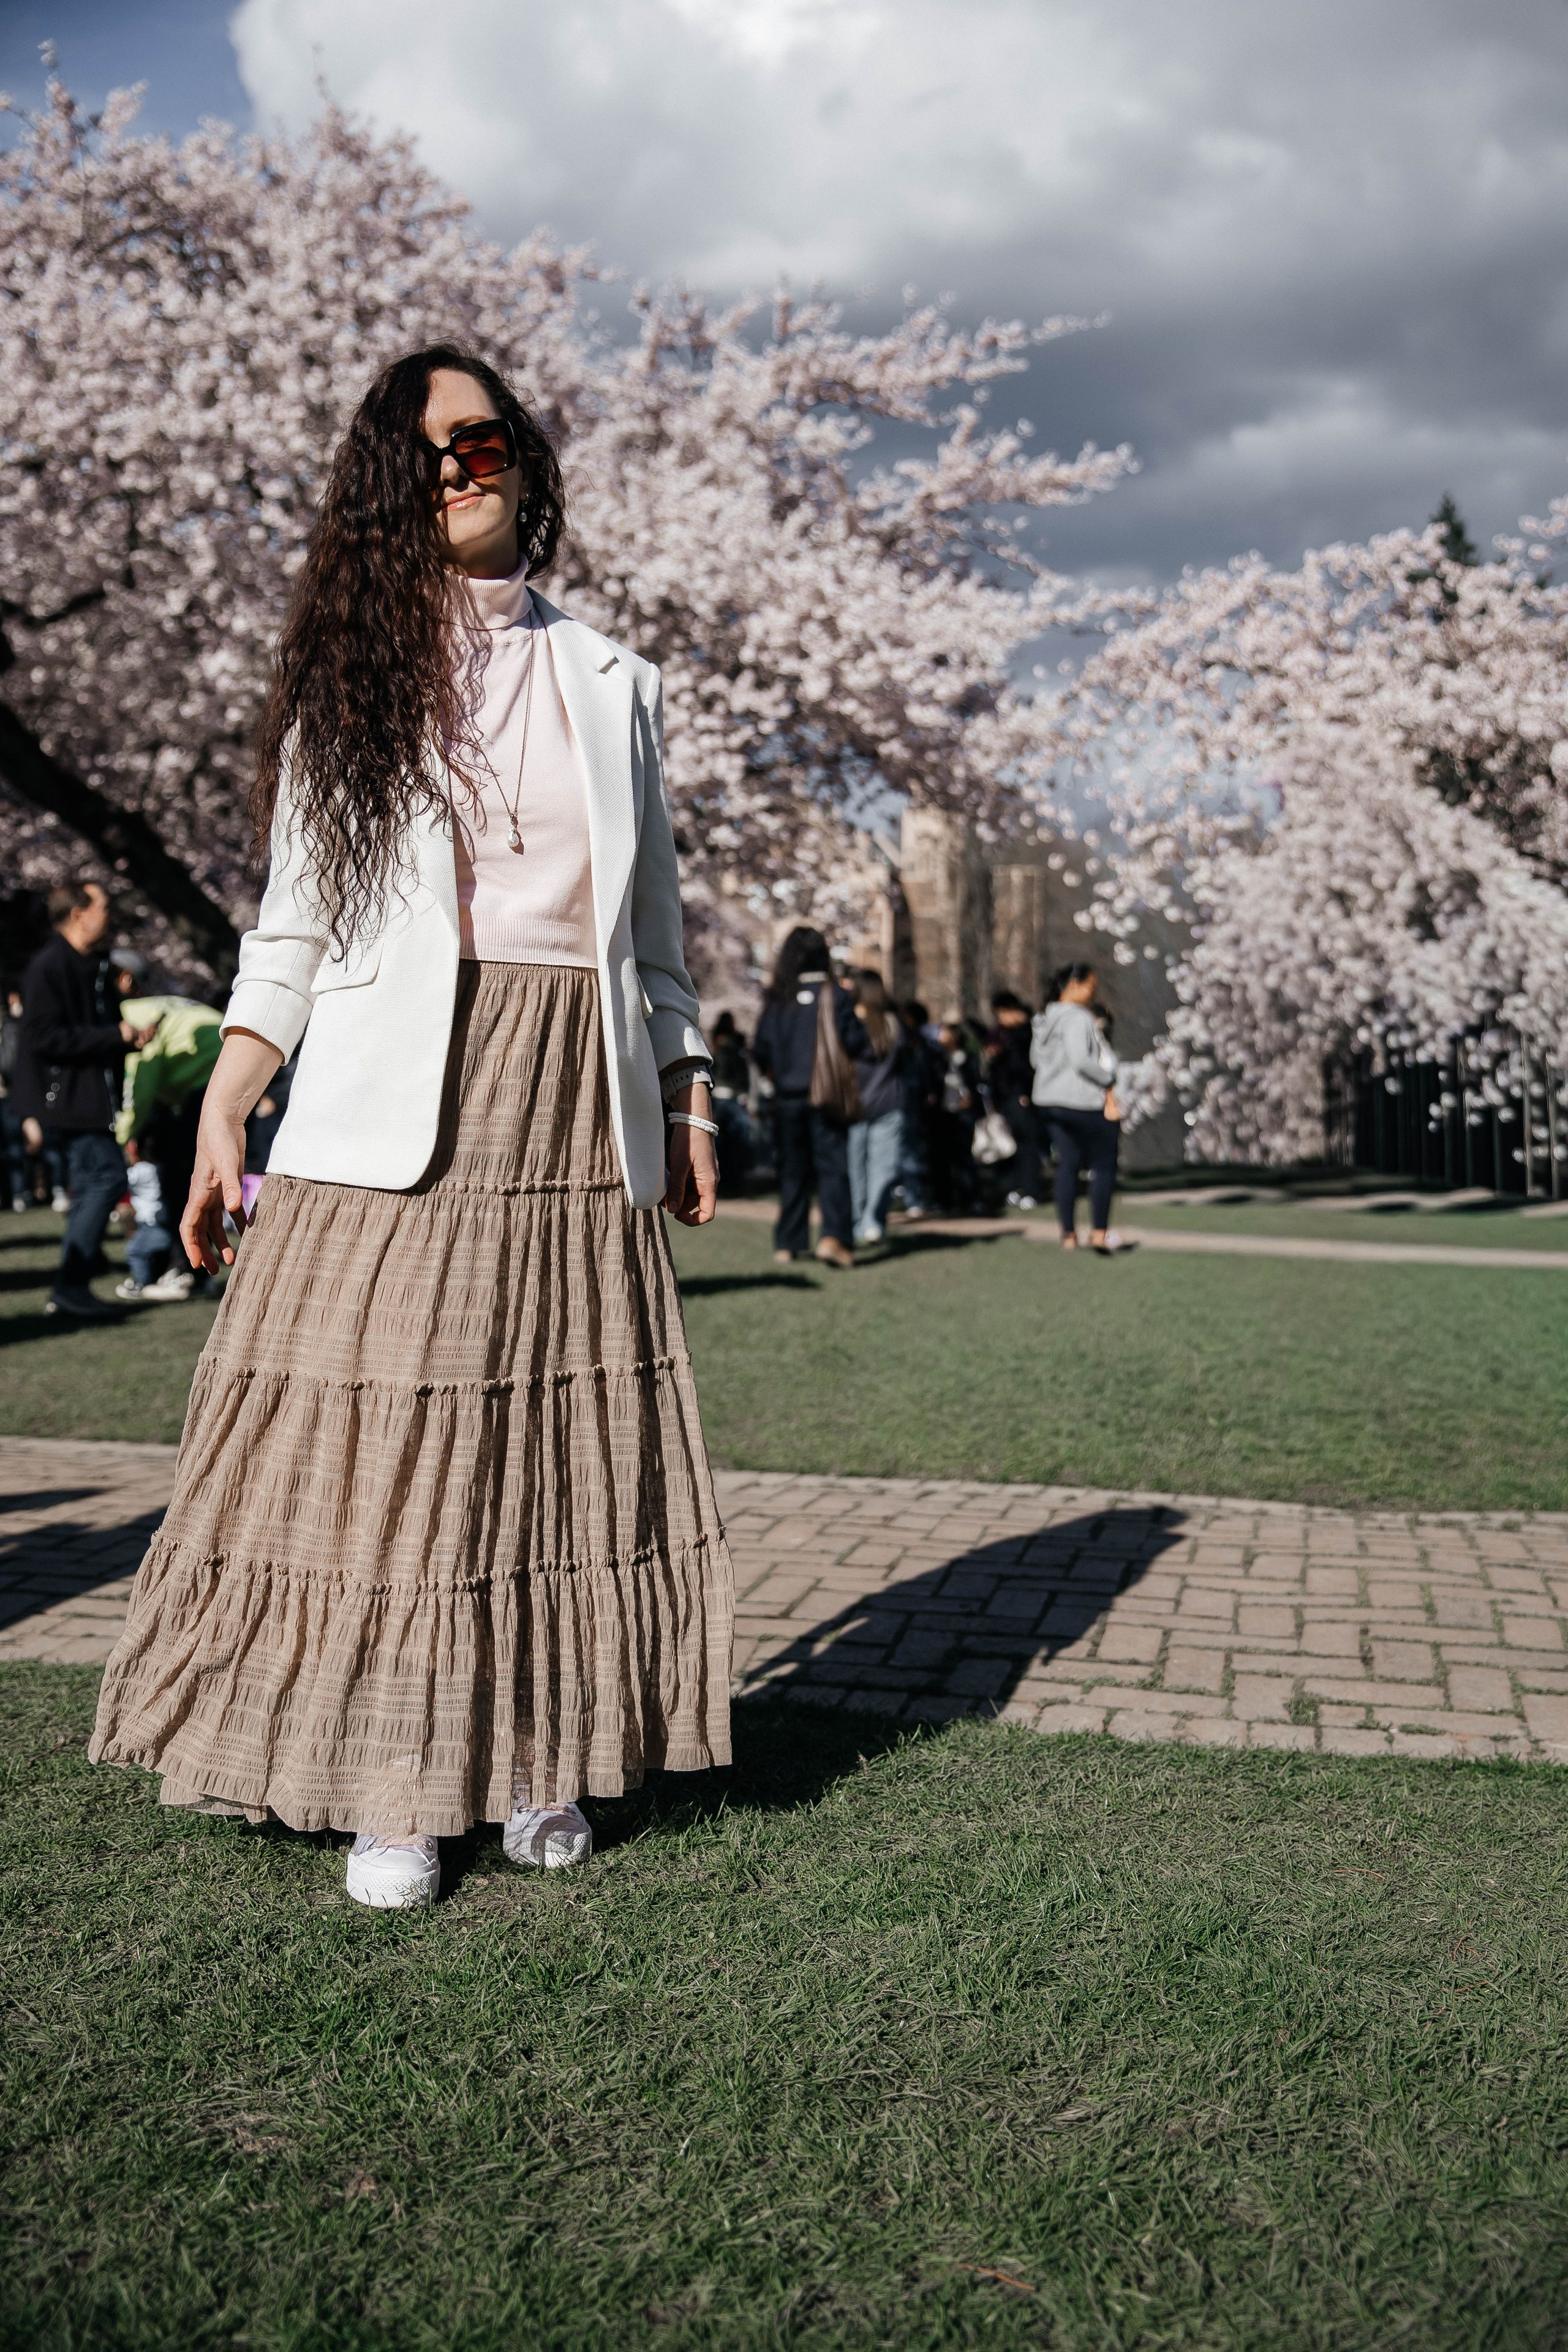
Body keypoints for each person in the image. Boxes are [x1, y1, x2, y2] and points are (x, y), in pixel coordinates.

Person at [90, 342, 732, 1911]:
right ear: (393, 485)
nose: (461, 467)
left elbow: (650, 933)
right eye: (429, 452)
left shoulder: (613, 681)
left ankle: (535, 1759)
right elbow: (291, 931)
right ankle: (394, 1782)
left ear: (520, 456)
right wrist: (229, 1105)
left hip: (572, 1091)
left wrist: (686, 1083)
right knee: (390, 1442)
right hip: (397, 1096)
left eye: (482, 437)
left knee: (549, 1442)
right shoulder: (351, 682)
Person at [18, 881, 156, 1320]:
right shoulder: (49, 967)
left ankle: (74, 1284)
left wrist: (129, 1038)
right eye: (103, 906)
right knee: (107, 1180)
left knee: (91, 1186)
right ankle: (72, 1284)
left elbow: (95, 1030)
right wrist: (112, 1035)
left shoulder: (92, 966)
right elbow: (43, 1038)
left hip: (93, 1095)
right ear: (79, 914)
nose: (110, 915)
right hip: (69, 1100)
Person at [750, 927, 867, 1270]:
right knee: (833, 1169)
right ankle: (834, 1238)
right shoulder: (837, 995)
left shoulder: (778, 998)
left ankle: (788, 1242)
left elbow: (760, 1048)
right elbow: (857, 1044)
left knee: (792, 1170)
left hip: (787, 1098)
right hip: (826, 1096)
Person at [1031, 962, 1126, 1254]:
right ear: (1074, 985)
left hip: (1048, 1101)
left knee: (1068, 1165)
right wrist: (1109, 1078)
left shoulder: (1044, 1019)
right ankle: (1099, 1232)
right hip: (1080, 1101)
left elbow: (1036, 1061)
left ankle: (1068, 1235)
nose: (1092, 993)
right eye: (1090, 987)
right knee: (1104, 1164)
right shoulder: (1077, 1018)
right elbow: (1081, 1060)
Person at [846, 970, 906, 1245]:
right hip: (888, 1104)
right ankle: (873, 1222)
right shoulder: (893, 1025)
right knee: (883, 1169)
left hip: (853, 1106)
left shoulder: (845, 1024)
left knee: (855, 1169)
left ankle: (860, 1222)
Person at [984, 988, 1039, 1208]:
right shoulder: (1000, 1034)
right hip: (1004, 1097)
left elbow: (1028, 1066)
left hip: (1022, 1096)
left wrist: (1026, 1092)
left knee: (1027, 1144)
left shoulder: (1028, 1032)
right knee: (1005, 1144)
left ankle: (1030, 1189)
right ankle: (1011, 1187)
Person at [114, 1137, 175, 1299]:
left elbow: (120, 1179)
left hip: (155, 1224)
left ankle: (142, 1284)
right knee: (153, 1255)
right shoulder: (156, 1167)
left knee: (134, 1251)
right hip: (158, 1222)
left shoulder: (143, 1169)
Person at [934, 1018, 982, 1212]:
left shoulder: (967, 1058)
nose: (941, 1036)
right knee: (942, 1158)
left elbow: (976, 1081)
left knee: (965, 1157)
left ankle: (971, 1198)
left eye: (944, 1032)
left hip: (963, 1113)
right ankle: (944, 1200)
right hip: (942, 1112)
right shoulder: (936, 1058)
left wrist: (971, 1099)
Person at [707, 1009, 756, 1193]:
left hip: (720, 1097)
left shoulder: (717, 1046)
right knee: (735, 1140)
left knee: (723, 1141)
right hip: (728, 1098)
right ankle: (734, 1180)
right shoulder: (733, 1046)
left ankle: (728, 1180)